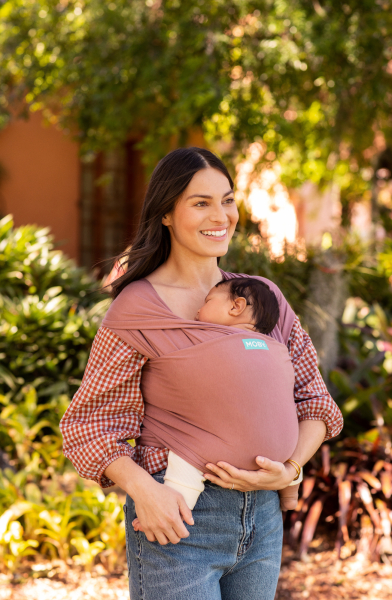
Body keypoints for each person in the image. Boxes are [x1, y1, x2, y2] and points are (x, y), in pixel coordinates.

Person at [60, 147, 343, 600]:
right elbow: (90, 424)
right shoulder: (138, 309)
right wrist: (144, 493)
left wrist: (289, 469)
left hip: (264, 520)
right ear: (167, 213)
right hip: (179, 521)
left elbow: (314, 400)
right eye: (201, 202)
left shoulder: (258, 300)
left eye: (228, 200)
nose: (222, 215)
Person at [130, 276, 301, 525]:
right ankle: (291, 492)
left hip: (210, 452)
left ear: (236, 307)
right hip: (281, 457)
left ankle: (174, 513)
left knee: (184, 458)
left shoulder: (207, 338)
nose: (199, 309)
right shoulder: (275, 347)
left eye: (208, 301)